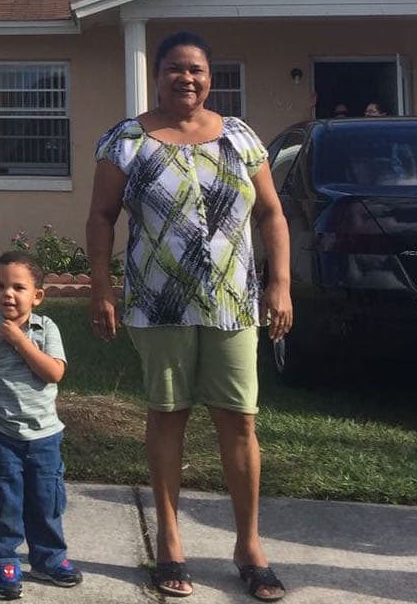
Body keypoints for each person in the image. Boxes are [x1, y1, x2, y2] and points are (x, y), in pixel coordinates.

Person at [86, 31, 292, 602]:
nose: (188, 79)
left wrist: (280, 284)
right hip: (158, 304)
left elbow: (272, 214)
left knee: (239, 421)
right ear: (158, 75)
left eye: (198, 70)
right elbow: (101, 217)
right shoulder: (127, 140)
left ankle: (249, 545)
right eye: (177, 69)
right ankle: (171, 541)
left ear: (210, 77)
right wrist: (101, 287)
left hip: (233, 305)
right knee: (168, 415)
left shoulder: (242, 137)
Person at [0, 250, 82, 600]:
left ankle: (49, 558)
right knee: (3, 500)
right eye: (0, 286)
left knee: (47, 500)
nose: (8, 294)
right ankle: (4, 560)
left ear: (37, 295)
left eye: (18, 287)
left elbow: (54, 372)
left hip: (44, 437)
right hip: (0, 436)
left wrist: (20, 341)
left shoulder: (46, 330)